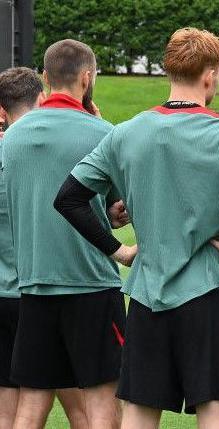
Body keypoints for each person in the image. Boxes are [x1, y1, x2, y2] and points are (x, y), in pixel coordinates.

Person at [54, 27, 219, 428]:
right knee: (215, 413)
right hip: (209, 294)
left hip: (146, 297)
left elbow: (69, 197)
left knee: (139, 418)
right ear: (211, 74)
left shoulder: (125, 132)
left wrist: (118, 250)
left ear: (168, 70)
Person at [2, 41, 128, 429]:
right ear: (87, 77)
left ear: (44, 79)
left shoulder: (11, 140)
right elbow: (123, 204)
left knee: (32, 400)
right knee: (101, 399)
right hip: (90, 284)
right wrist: (113, 217)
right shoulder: (104, 134)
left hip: (34, 286)